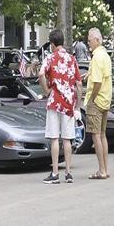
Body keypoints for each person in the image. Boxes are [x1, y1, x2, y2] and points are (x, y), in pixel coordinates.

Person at [38, 29, 81, 184]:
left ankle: (55, 173)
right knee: (68, 139)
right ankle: (68, 173)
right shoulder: (72, 59)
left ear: (52, 43)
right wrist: (78, 105)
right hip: (69, 103)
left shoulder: (50, 58)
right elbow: (79, 83)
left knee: (54, 138)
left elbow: (41, 74)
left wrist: (46, 90)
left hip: (55, 101)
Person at [83, 28, 113, 179]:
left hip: (97, 100)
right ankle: (105, 169)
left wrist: (91, 99)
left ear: (97, 40)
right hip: (106, 100)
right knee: (102, 135)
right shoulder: (105, 56)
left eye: (89, 40)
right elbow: (102, 75)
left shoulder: (96, 58)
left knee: (96, 136)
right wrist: (88, 73)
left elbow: (97, 82)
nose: (88, 43)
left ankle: (101, 170)